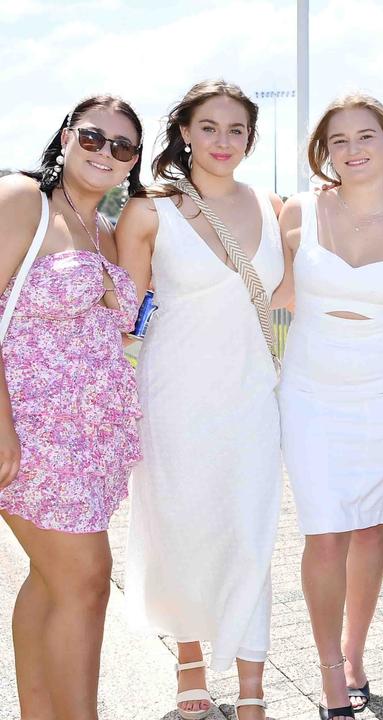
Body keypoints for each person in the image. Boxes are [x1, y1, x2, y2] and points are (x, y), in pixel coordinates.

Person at [276, 93, 383, 719]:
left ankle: (355, 656)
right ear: (325, 151)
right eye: (339, 139)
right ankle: (327, 672)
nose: (353, 150)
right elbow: (270, 288)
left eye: (365, 136)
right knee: (324, 533)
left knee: (370, 526)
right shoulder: (298, 210)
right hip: (310, 393)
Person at [116, 79, 283, 720]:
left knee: (251, 534)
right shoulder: (148, 211)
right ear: (184, 132)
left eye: (235, 130)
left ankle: (251, 690)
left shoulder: (271, 206)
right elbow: (126, 315)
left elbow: (295, 289)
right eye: (208, 127)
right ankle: (190, 670)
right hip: (175, 394)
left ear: (249, 139)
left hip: (250, 398)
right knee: (184, 529)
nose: (221, 141)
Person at [0, 96, 144, 719]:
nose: (104, 152)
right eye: (93, 136)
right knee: (86, 581)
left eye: (122, 146)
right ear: (64, 136)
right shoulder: (23, 201)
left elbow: (128, 325)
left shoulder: (105, 229)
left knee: (51, 579)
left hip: (92, 448)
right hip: (34, 440)